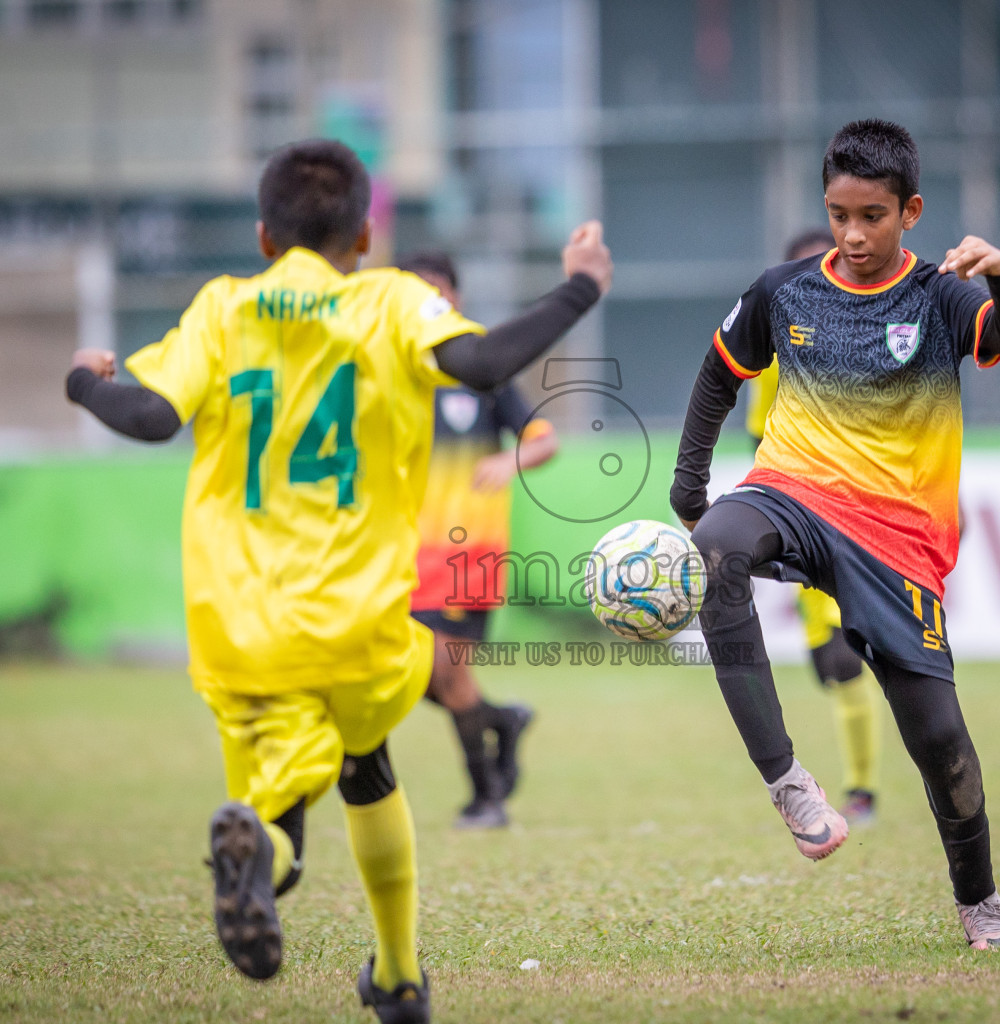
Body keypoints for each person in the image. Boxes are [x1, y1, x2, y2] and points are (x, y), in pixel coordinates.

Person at [64, 138, 611, 1022]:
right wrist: (581, 285)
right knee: (366, 760)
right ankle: (397, 975)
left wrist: (85, 384)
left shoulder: (222, 309)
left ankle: (271, 869)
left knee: (280, 791)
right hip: (362, 616)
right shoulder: (391, 301)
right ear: (365, 235)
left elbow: (151, 413)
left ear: (262, 235)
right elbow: (480, 363)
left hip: (237, 625)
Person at [670, 120, 1000, 951]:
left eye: (872, 216)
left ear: (910, 211)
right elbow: (717, 373)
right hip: (793, 489)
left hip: (897, 533)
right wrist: (689, 488)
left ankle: (977, 898)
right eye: (839, 214)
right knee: (718, 553)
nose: (853, 234)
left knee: (941, 742)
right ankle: (789, 783)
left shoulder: (942, 295)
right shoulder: (783, 290)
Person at [398, 250, 556, 830]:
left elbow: (544, 440)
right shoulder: (392, 374)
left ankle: (487, 797)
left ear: (455, 301)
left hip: (470, 554)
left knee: (448, 672)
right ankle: (503, 721)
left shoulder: (482, 374)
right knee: (410, 676)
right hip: (405, 555)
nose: (428, 306)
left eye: (437, 294)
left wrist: (509, 461)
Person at [743, 228, 882, 827]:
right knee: (829, 666)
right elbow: (760, 437)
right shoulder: (776, 352)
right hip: (805, 516)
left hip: (863, 520)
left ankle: (863, 791)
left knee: (847, 660)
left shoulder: (873, 336)